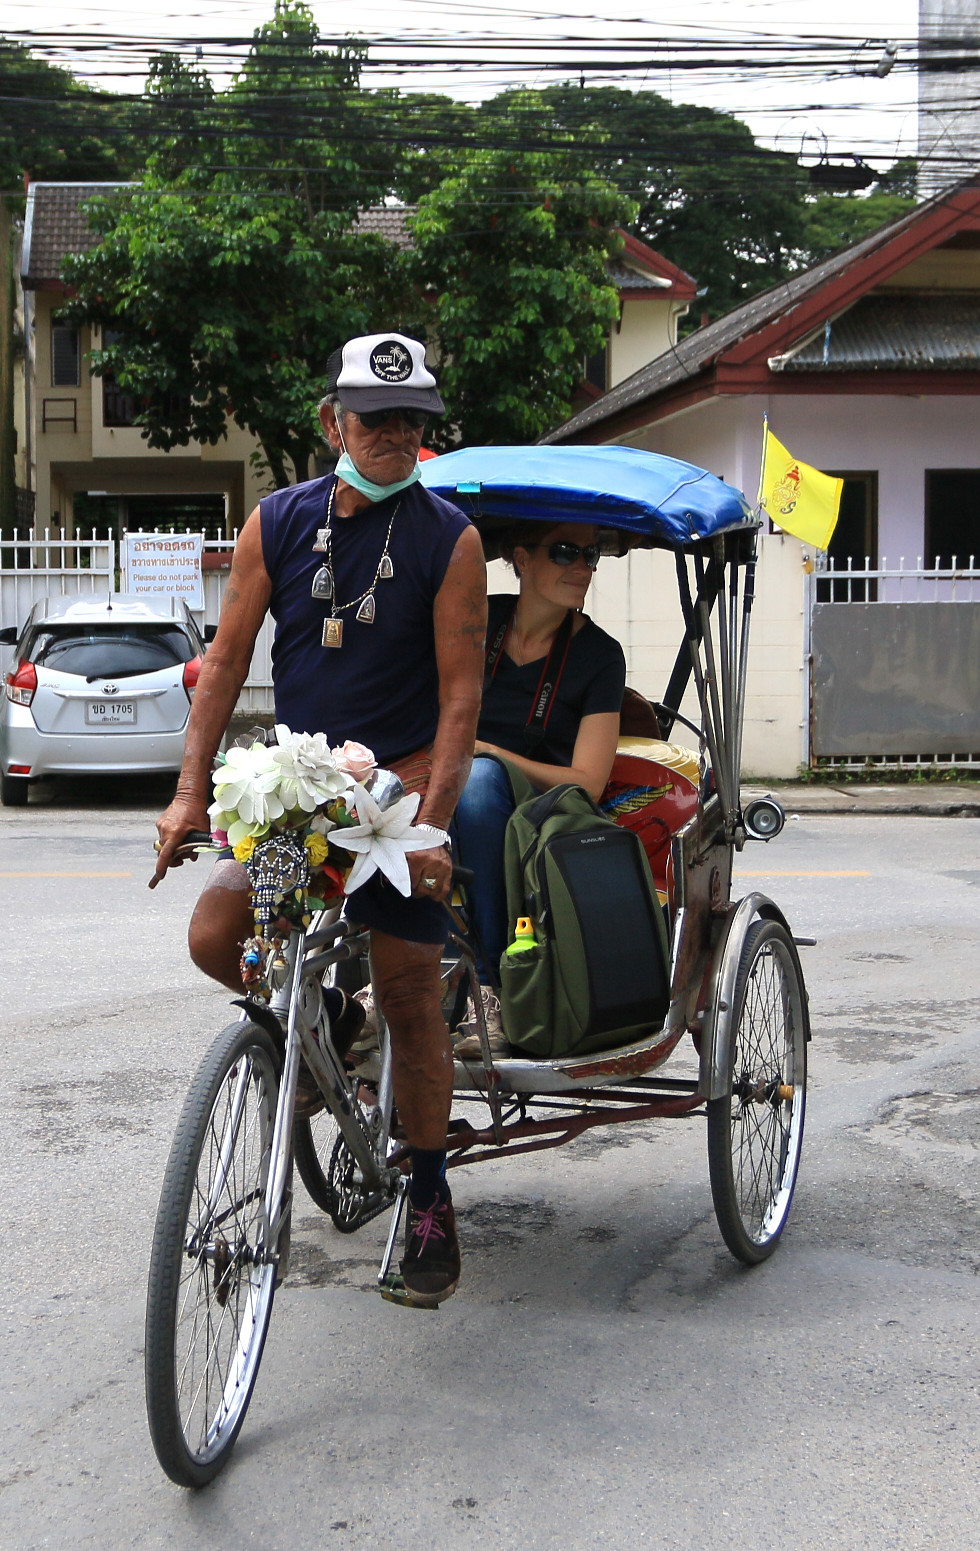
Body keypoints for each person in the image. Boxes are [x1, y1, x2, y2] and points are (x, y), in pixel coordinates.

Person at [149, 332, 487, 1308]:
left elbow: (461, 701)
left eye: (409, 420)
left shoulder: (448, 539)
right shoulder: (276, 523)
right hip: (300, 792)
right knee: (220, 934)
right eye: (372, 416)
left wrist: (431, 828)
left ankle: (426, 1200)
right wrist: (184, 794)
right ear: (329, 419)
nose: (391, 435)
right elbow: (220, 665)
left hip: (400, 793)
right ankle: (328, 1025)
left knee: (412, 994)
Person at [451, 524, 630, 973]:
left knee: (478, 779)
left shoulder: (600, 655)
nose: (581, 567)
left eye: (590, 555)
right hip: (450, 777)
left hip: (541, 811)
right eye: (565, 552)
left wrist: (490, 753)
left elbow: (588, 783)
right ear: (522, 558)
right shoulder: (480, 621)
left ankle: (491, 980)